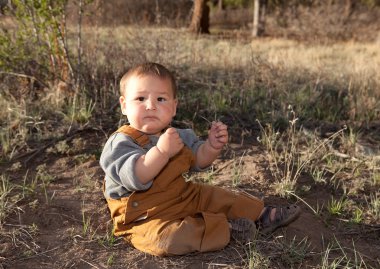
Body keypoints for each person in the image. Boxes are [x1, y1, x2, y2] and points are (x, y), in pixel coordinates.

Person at [100, 62, 300, 256]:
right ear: (124, 105)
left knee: (216, 196)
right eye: (141, 98)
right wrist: (161, 152)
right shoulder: (120, 143)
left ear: (174, 106)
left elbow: (199, 161)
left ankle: (262, 215)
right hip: (144, 217)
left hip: (182, 196)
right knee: (168, 240)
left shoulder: (178, 135)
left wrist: (211, 147)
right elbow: (137, 176)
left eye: (161, 99)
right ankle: (227, 228)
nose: (151, 106)